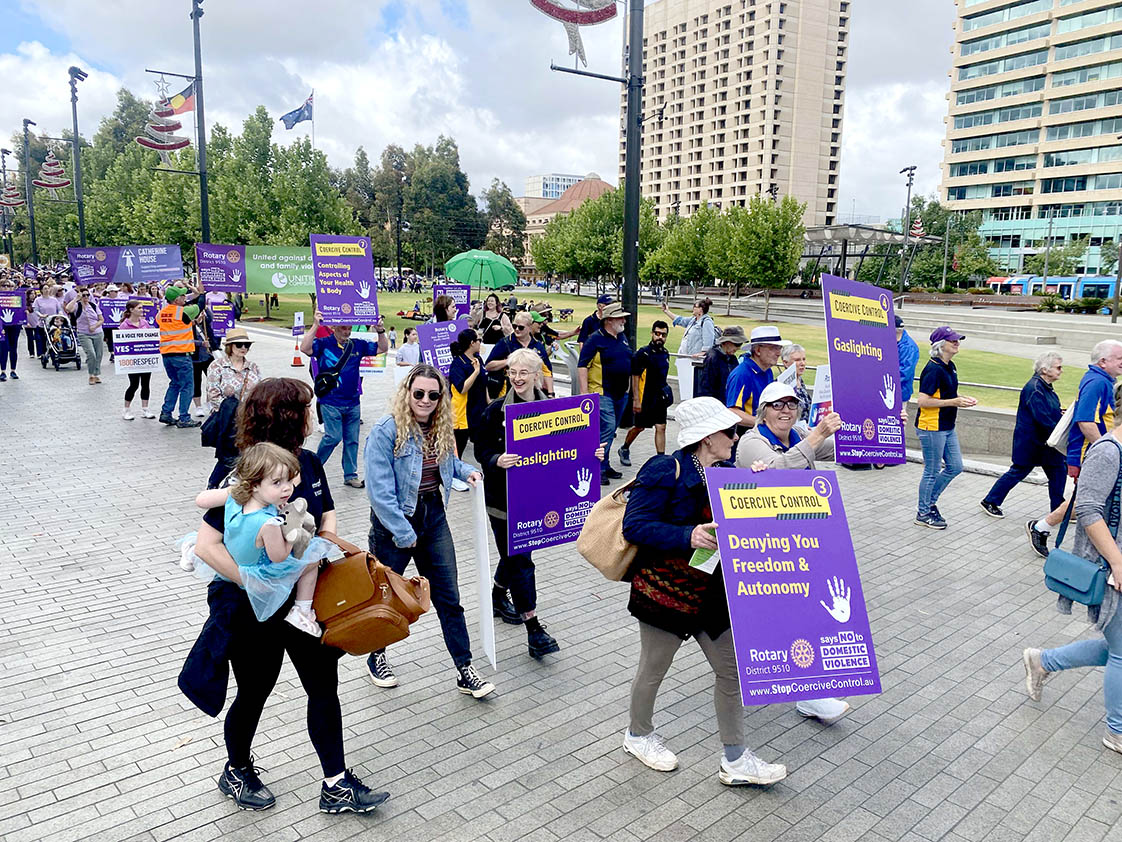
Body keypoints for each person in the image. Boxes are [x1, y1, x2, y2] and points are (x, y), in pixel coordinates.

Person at [181, 378, 388, 815]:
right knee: (256, 689)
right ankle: (236, 769)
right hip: (248, 605)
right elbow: (206, 545)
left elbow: (325, 512)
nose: (313, 417)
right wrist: (258, 585)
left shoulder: (308, 463)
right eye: (307, 409)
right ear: (288, 416)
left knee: (322, 687)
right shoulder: (243, 469)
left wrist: (323, 544)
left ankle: (336, 784)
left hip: (305, 605)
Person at [620, 396, 787, 786]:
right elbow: (635, 526)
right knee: (653, 670)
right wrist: (686, 535)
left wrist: (757, 486)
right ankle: (638, 736)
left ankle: (735, 759)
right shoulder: (666, 468)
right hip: (666, 592)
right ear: (707, 438)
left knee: (732, 672)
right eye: (729, 431)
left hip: (711, 593)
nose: (735, 436)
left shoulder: (728, 471)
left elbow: (746, 523)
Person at [362, 364, 493, 698]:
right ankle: (376, 654)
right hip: (395, 523)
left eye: (433, 395)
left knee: (449, 598)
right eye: (418, 393)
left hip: (433, 517)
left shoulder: (440, 427)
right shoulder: (386, 430)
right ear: (407, 392)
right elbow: (379, 492)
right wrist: (403, 533)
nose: (425, 400)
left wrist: (469, 473)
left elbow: (448, 464)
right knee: (387, 598)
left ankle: (465, 669)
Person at [735, 382, 852, 725]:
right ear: (763, 410)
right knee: (768, 617)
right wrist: (816, 434)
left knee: (801, 612)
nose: (785, 411)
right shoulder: (751, 442)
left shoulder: (798, 432)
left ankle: (807, 692)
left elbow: (836, 447)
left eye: (791, 404)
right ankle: (764, 673)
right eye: (777, 405)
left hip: (800, 540)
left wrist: (877, 427)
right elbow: (779, 469)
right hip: (764, 547)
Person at [473, 348, 593, 657]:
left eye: (523, 372)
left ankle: (499, 595)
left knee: (515, 553)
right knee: (521, 560)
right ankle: (533, 628)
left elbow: (571, 449)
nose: (517, 378)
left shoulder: (555, 411)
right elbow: (481, 448)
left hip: (538, 501)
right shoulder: (496, 411)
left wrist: (593, 455)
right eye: (512, 372)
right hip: (504, 502)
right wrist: (496, 459)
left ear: (537, 375)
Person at [1022, 422, 1122, 756]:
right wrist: (1117, 562)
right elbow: (1088, 509)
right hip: (1111, 567)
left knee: (1118, 647)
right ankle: (1116, 731)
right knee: (1121, 651)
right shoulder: (1108, 451)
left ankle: (1044, 661)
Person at [192, 442, 328, 636]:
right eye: (277, 483)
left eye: (290, 481)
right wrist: (292, 535)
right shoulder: (268, 524)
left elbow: (201, 500)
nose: (287, 489)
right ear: (255, 484)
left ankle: (191, 549)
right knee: (314, 556)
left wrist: (233, 489)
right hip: (258, 572)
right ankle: (302, 610)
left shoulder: (235, 499)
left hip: (234, 562)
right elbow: (278, 556)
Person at [1030, 340, 1122, 554]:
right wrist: (1108, 451)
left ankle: (1041, 526)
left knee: (1085, 500)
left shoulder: (1102, 380)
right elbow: (1085, 421)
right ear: (1103, 361)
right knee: (1085, 502)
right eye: (1119, 358)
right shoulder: (1097, 382)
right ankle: (1040, 527)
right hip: (1089, 454)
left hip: (1094, 453)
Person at [300, 310, 388, 489]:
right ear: (333, 328)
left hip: (353, 402)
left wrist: (380, 331)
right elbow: (305, 348)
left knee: (352, 440)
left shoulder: (357, 345)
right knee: (333, 437)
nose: (347, 331)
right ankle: (313, 468)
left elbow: (382, 349)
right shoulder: (324, 344)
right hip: (331, 401)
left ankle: (350, 474)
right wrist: (316, 325)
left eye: (349, 328)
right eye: (343, 328)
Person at [981, 352, 1066, 520]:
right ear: (1044, 370)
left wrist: (1059, 413)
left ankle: (1058, 509)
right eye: (1058, 367)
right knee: (1019, 471)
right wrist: (1062, 430)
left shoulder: (1043, 386)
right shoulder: (1035, 388)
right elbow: (1043, 418)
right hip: (1033, 443)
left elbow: (1047, 412)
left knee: (1058, 471)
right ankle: (990, 501)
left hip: (1043, 443)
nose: (1061, 371)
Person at [914, 326, 977, 529]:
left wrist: (960, 400)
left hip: (947, 425)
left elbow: (948, 395)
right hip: (932, 426)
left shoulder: (950, 366)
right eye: (953, 340)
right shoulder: (933, 369)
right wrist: (954, 402)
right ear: (941, 345)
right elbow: (923, 401)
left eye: (958, 339)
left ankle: (929, 502)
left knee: (955, 466)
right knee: (931, 471)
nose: (957, 342)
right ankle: (923, 512)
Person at [577, 302, 634, 485]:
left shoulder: (622, 337)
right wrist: (585, 393)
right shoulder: (595, 339)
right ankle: (597, 466)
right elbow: (582, 365)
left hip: (620, 394)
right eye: (620, 317)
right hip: (601, 392)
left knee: (610, 430)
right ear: (609, 320)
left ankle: (606, 463)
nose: (624, 320)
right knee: (607, 428)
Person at [205, 328, 263, 486]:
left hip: (250, 419)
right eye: (239, 345)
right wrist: (235, 412)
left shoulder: (253, 367)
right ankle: (213, 484)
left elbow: (259, 392)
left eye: (247, 345)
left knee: (249, 453)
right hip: (228, 420)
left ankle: (238, 486)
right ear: (230, 346)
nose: (243, 348)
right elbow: (213, 394)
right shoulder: (217, 366)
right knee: (229, 456)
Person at [619, 320, 671, 466]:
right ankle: (625, 448)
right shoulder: (643, 353)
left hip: (659, 398)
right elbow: (634, 377)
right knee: (639, 427)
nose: (660, 337)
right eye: (657, 334)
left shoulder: (665, 354)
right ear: (652, 334)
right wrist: (636, 399)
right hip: (644, 397)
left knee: (661, 427)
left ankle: (661, 458)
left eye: (663, 335)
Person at [157, 285, 203, 428]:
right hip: (182, 355)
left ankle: (166, 413)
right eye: (183, 296)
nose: (185, 297)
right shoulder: (184, 312)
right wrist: (199, 291)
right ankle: (184, 417)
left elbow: (177, 326)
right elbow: (200, 303)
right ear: (177, 299)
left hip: (167, 355)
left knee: (174, 383)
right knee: (187, 386)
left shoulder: (161, 313)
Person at [726, 326, 788, 428]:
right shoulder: (741, 374)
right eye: (773, 348)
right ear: (758, 350)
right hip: (746, 435)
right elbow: (733, 411)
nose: (779, 353)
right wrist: (763, 423)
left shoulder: (767, 371)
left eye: (779, 348)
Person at [485, 310, 554, 397]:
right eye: (514, 326)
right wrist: (510, 361)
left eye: (521, 327)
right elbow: (488, 366)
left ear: (529, 327)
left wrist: (551, 393)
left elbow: (547, 371)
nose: (517, 329)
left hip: (532, 393)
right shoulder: (505, 343)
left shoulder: (538, 345)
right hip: (508, 392)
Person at [448, 328, 488, 459]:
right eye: (479, 340)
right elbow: (462, 388)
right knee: (458, 451)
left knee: (482, 447)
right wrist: (475, 372)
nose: (480, 343)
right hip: (463, 414)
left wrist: (489, 402)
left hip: (479, 410)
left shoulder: (478, 359)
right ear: (472, 343)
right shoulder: (458, 363)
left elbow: (483, 383)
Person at [120, 300, 156, 420]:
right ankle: (126, 409)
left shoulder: (144, 323)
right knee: (134, 384)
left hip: (145, 358)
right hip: (132, 359)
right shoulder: (124, 325)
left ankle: (145, 409)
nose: (142, 310)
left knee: (146, 384)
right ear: (131, 310)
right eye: (139, 308)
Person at [67, 286, 105, 385]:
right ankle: (91, 375)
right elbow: (68, 308)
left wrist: (95, 326)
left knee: (99, 354)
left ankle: (96, 374)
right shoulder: (77, 306)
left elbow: (101, 319)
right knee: (91, 354)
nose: (86, 297)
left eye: (88, 295)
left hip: (97, 332)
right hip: (84, 333)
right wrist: (76, 299)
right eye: (84, 295)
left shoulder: (93, 305)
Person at [697, 326, 746, 401]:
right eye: (737, 344)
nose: (738, 348)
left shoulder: (733, 359)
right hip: (715, 404)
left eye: (740, 344)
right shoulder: (713, 358)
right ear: (727, 342)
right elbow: (706, 387)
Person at [779, 343, 812, 432]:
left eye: (804, 359)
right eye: (797, 360)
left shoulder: (800, 381)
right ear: (785, 363)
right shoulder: (781, 385)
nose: (802, 363)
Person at [896, 315, 919, 406]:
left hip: (900, 393)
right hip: (889, 391)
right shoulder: (895, 342)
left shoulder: (908, 347)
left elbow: (904, 372)